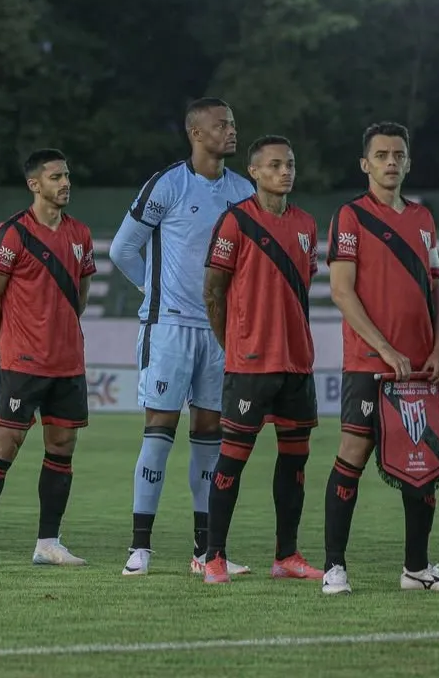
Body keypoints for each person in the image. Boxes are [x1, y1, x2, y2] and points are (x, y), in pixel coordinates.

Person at [108, 97, 254, 576]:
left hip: (218, 332)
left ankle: (205, 553)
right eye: (221, 124)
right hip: (168, 327)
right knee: (159, 431)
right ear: (196, 133)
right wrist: (156, 293)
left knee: (211, 435)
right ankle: (140, 547)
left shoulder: (243, 191)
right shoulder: (168, 184)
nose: (231, 131)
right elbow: (123, 249)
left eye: (232, 124)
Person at [321, 122, 439, 594]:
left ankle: (416, 569)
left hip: (421, 368)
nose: (390, 162)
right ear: (365, 164)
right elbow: (341, 292)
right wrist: (385, 347)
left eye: (397, 155)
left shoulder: (423, 219)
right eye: (381, 154)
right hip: (370, 362)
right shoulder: (350, 217)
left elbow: (436, 286)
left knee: (423, 461)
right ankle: (334, 568)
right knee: (353, 455)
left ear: (407, 162)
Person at [0, 149, 94, 568]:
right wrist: (9, 350)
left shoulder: (80, 235)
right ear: (34, 184)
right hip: (23, 364)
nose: (65, 183)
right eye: (56, 177)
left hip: (68, 363)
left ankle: (47, 542)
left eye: (67, 175)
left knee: (62, 446)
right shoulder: (11, 234)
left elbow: (81, 296)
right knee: (6, 444)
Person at [200, 136, 323, 583]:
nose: (284, 171)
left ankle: (286, 556)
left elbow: (303, 281)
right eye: (274, 165)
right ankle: (213, 556)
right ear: (254, 171)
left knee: (295, 461)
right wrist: (231, 344)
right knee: (232, 458)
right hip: (250, 363)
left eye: (289, 163)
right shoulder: (234, 222)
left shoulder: (308, 224)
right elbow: (213, 289)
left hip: (296, 363)